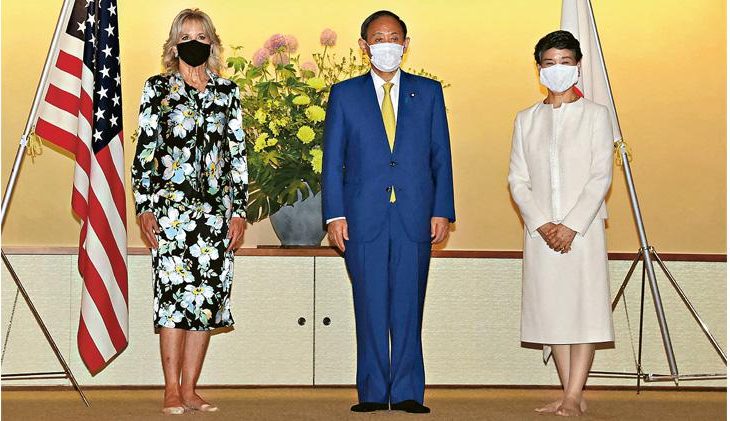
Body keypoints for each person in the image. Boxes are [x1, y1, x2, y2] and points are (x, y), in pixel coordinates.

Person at [322, 10, 455, 414]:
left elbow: (440, 155)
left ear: (406, 44)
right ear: (364, 46)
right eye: (378, 39)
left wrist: (442, 209)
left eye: (393, 38)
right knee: (369, 305)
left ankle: (409, 391)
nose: (387, 45)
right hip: (362, 217)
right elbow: (333, 161)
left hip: (415, 215)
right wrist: (334, 214)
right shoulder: (344, 94)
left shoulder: (428, 92)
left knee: (409, 306)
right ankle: (373, 392)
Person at [130, 8, 248, 415]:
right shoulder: (157, 89)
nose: (193, 43)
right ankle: (170, 389)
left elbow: (236, 155)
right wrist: (145, 207)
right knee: (173, 301)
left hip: (217, 215)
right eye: (185, 37)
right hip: (171, 214)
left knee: (205, 303)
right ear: (174, 45)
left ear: (211, 42)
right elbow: (145, 152)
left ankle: (191, 388)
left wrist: (239, 212)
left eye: (200, 36)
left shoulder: (227, 92)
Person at [507, 30, 615, 417]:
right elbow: (517, 180)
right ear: (539, 69)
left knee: (582, 309)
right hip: (541, 234)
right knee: (552, 309)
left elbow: (600, 176)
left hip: (582, 231)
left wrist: (570, 225)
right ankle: (570, 392)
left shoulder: (596, 115)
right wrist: (541, 223)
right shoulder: (526, 119)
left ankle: (573, 394)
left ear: (578, 67)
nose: (558, 69)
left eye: (565, 62)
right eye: (550, 63)